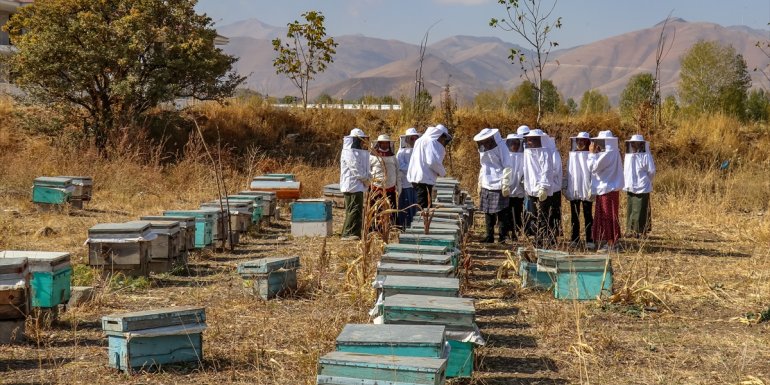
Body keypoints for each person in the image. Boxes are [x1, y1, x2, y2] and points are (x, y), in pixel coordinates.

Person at [474, 128, 513, 243]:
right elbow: (484, 166)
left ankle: (502, 237)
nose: (485, 143)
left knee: (502, 212)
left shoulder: (502, 147)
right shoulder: (484, 150)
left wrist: (506, 184)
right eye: (483, 141)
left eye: (487, 140)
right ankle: (489, 236)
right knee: (487, 211)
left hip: (499, 184)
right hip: (487, 183)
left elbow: (507, 166)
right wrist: (480, 183)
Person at [587, 130, 624, 252]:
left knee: (608, 216)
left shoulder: (608, 154)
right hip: (609, 189)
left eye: (601, 142)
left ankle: (611, 244)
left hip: (606, 189)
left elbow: (593, 167)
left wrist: (591, 154)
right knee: (610, 215)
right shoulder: (614, 152)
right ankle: (612, 242)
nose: (598, 144)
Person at [407, 124, 452, 211]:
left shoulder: (420, 140)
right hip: (423, 180)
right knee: (423, 210)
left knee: (422, 206)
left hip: (417, 179)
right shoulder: (430, 142)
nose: (443, 141)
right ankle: (422, 224)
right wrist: (442, 172)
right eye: (443, 139)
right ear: (440, 136)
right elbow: (432, 161)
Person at [523, 129, 555, 247]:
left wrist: (544, 187)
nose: (529, 142)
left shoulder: (545, 152)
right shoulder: (527, 152)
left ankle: (543, 240)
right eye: (528, 140)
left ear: (538, 140)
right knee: (533, 216)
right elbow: (527, 170)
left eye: (532, 140)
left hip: (542, 190)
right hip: (531, 189)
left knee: (542, 216)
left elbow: (546, 170)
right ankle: (537, 240)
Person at [340, 128, 371, 241]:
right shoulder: (349, 152)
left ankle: (350, 232)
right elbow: (356, 169)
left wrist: (368, 178)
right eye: (360, 140)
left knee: (354, 209)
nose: (362, 142)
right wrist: (366, 180)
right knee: (354, 209)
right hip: (352, 185)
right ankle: (349, 233)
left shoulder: (356, 152)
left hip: (356, 185)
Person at [623, 134, 656, 238]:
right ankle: (630, 230)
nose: (633, 145)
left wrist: (646, 181)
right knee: (631, 209)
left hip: (642, 186)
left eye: (635, 143)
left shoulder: (646, 155)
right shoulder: (628, 155)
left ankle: (640, 232)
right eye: (632, 143)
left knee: (641, 209)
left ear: (641, 144)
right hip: (630, 186)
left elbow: (651, 171)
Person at [566, 132, 595, 249]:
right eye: (578, 141)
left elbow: (593, 172)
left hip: (587, 189)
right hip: (574, 189)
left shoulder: (591, 155)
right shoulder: (572, 155)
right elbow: (568, 172)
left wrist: (592, 188)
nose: (580, 143)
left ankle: (590, 239)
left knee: (588, 215)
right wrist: (566, 187)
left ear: (588, 142)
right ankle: (575, 238)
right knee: (574, 215)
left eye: (583, 141)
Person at [369, 134, 398, 228]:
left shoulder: (393, 157)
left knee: (391, 208)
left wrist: (398, 185)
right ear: (379, 143)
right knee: (375, 209)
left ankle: (390, 227)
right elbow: (368, 170)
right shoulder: (373, 156)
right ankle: (374, 227)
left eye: (386, 143)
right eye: (383, 143)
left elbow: (397, 171)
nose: (385, 145)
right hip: (376, 187)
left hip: (390, 187)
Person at [396, 128, 420, 228]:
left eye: (415, 138)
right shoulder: (401, 152)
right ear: (406, 139)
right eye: (411, 138)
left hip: (417, 182)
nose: (413, 140)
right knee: (406, 205)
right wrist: (413, 168)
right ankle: (404, 225)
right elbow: (400, 166)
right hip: (405, 183)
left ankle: (415, 225)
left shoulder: (419, 151)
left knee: (415, 205)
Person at [504, 133, 526, 241]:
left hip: (519, 190)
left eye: (517, 143)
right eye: (513, 143)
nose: (515, 146)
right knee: (506, 213)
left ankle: (515, 233)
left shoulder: (523, 156)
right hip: (507, 190)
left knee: (518, 213)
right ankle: (507, 233)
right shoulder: (505, 156)